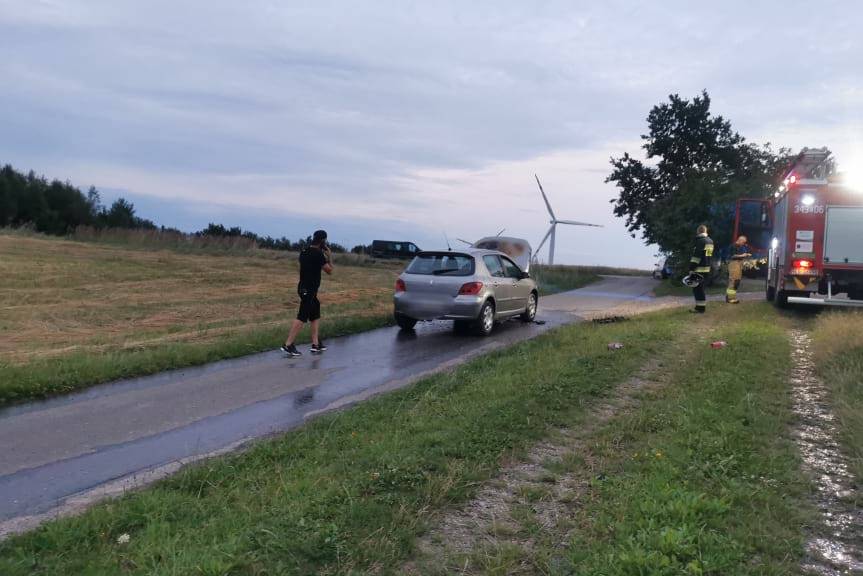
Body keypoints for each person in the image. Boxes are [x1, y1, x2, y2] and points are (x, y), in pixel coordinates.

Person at [281, 230, 334, 357]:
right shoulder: (318, 254)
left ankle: (316, 344)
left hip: (304, 287)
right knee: (302, 316)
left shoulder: (304, 252)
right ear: (322, 241)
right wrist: (329, 256)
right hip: (308, 290)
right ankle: (288, 345)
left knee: (315, 312)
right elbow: (329, 271)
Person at [688, 224, 714, 313]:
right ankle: (699, 307)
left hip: (699, 269)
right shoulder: (710, 241)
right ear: (706, 231)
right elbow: (708, 255)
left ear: (698, 231)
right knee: (701, 289)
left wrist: (691, 268)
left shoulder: (700, 241)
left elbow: (696, 257)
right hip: (706, 268)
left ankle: (700, 309)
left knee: (697, 289)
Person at [726, 235, 751, 304]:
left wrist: (746, 255)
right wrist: (742, 255)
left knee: (737, 281)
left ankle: (732, 297)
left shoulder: (740, 247)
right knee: (733, 281)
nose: (743, 244)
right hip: (733, 264)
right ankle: (730, 298)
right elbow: (732, 256)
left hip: (739, 264)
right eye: (743, 242)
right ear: (740, 240)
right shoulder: (733, 246)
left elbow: (739, 255)